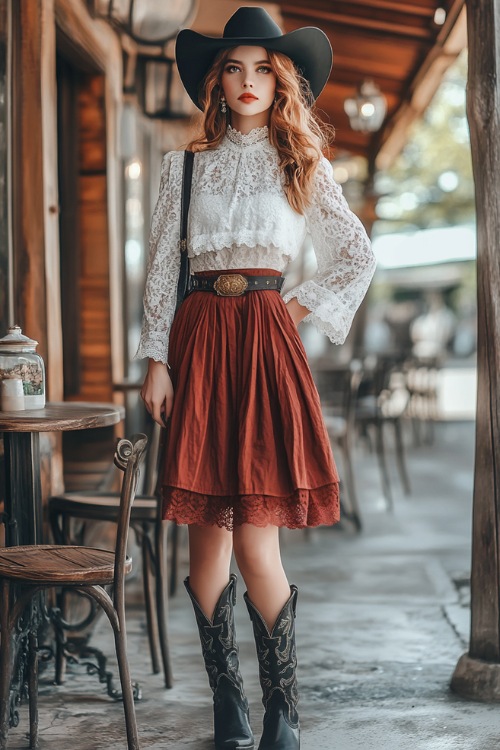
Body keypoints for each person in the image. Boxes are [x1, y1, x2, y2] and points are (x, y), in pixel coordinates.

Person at [137, 7, 376, 750]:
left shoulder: (302, 163)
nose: (248, 82)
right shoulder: (182, 168)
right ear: (218, 80)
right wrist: (156, 359)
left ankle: (283, 711)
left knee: (255, 546)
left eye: (263, 69)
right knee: (206, 544)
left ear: (283, 81)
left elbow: (356, 256)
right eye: (235, 68)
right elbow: (159, 275)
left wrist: (294, 307)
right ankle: (229, 707)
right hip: (200, 342)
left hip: (266, 343)